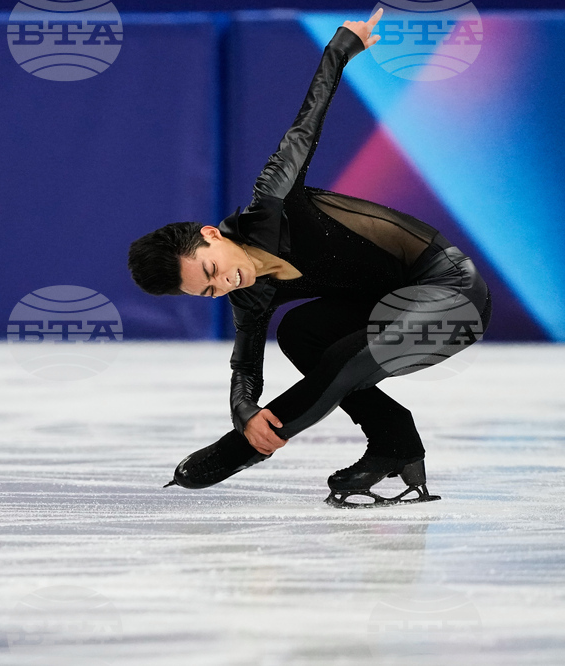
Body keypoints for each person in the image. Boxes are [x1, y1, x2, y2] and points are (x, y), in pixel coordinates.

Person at [126, 9, 492, 507]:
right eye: (210, 290)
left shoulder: (272, 203)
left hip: (453, 297)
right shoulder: (251, 296)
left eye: (212, 269)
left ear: (212, 234)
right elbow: (245, 368)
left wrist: (341, 46)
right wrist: (244, 410)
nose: (226, 283)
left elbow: (306, 125)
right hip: (390, 313)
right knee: (301, 333)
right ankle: (394, 443)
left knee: (345, 354)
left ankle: (242, 453)